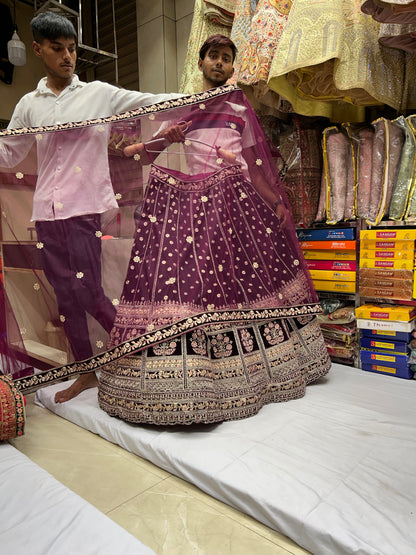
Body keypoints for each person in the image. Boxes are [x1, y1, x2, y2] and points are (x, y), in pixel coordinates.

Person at [94, 35, 331, 425]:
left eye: (226, 58)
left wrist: (274, 201)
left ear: (231, 67)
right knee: (196, 286)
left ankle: (257, 372)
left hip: (234, 205)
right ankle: (192, 380)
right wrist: (167, 138)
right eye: (213, 57)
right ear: (201, 63)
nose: (219, 63)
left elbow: (253, 164)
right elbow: (149, 155)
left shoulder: (239, 107)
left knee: (243, 284)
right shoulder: (182, 107)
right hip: (192, 209)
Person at [0, 11, 183, 403]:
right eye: (57, 49)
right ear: (38, 50)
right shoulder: (29, 105)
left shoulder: (98, 94)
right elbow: (9, 153)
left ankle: (140, 358)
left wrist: (202, 100)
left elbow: (149, 101)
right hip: (47, 213)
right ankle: (87, 373)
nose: (67, 56)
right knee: (66, 299)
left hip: (83, 210)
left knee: (90, 294)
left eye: (71, 49)